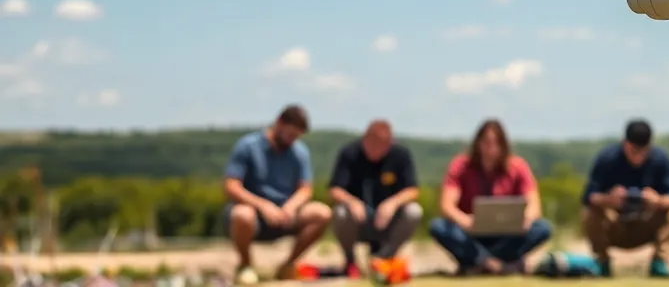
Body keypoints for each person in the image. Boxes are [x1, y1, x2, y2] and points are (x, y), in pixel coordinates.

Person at [221, 104, 331, 285]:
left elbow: (305, 189)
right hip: (253, 213)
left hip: (285, 214)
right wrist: (263, 206)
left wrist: (291, 207)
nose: (291, 140)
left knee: (322, 213)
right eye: (289, 135)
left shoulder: (299, 151)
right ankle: (245, 265)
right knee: (242, 214)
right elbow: (231, 186)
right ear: (279, 123)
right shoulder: (248, 146)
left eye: (296, 137)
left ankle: (288, 265)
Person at [429, 119, 553, 275]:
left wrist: (525, 219)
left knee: (542, 228)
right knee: (439, 227)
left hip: (507, 234)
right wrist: (464, 220)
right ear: (478, 143)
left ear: (504, 145)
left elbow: (535, 206)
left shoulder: (518, 166)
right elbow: (446, 205)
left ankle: (479, 263)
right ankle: (498, 265)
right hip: (471, 232)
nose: (491, 148)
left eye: (496, 143)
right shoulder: (460, 165)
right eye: (487, 142)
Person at [581, 118, 669, 277]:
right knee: (590, 212)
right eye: (634, 151)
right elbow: (588, 197)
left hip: (646, 222)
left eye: (643, 151)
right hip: (615, 224)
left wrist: (657, 201)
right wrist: (609, 199)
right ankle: (602, 262)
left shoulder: (660, 160)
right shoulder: (607, 159)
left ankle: (659, 262)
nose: (639, 156)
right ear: (624, 143)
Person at [328, 119, 423, 277]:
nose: (379, 150)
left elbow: (412, 190)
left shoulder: (400, 155)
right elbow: (334, 189)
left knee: (414, 212)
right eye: (375, 144)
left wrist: (393, 203)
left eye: (385, 145)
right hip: (358, 221)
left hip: (388, 221)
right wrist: (352, 202)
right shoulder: (350, 153)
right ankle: (351, 262)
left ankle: (383, 259)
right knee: (340, 213)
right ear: (365, 139)